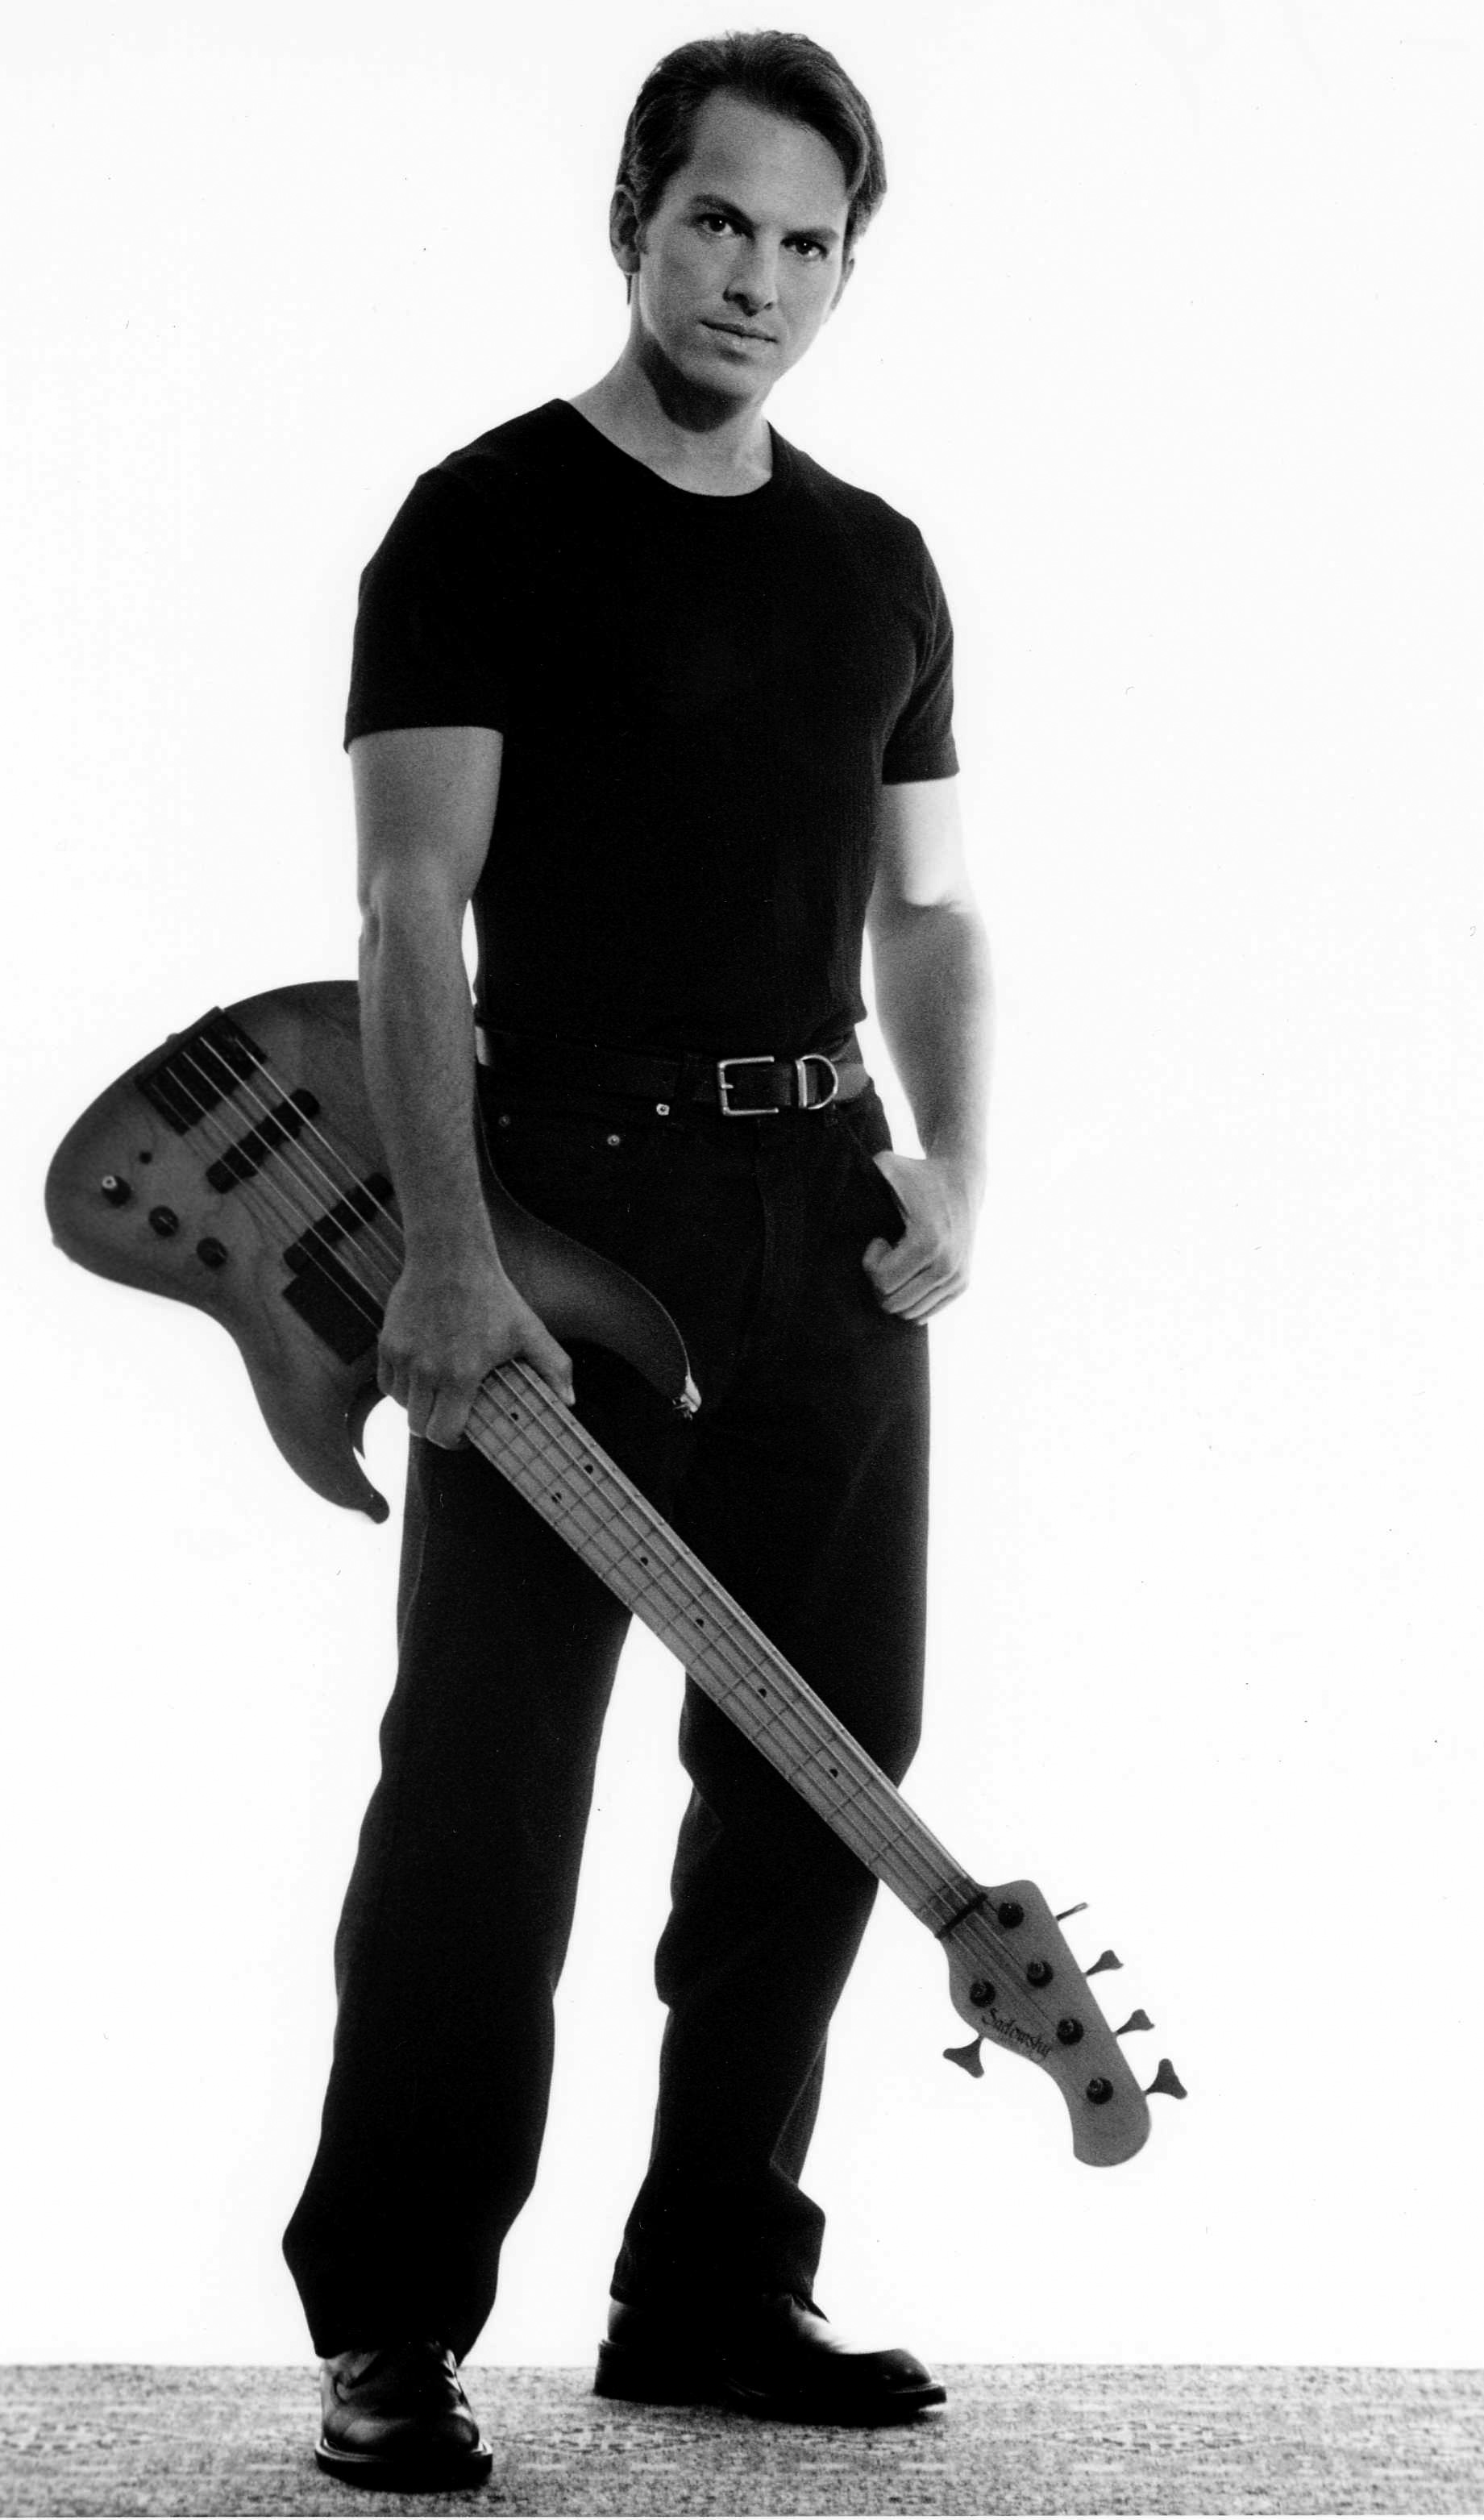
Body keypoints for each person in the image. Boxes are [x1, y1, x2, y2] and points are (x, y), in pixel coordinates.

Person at [282, 30, 993, 2490]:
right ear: (630, 218)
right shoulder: (478, 526)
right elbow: (409, 909)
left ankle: (709, 2284)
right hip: (564, 1225)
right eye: (718, 222)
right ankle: (390, 2321)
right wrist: (447, 1260)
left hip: (830, 1223)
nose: (757, 281)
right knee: (484, 1785)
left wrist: (953, 1168)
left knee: (821, 1764)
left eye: (807, 243)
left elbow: (930, 913)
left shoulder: (876, 562)